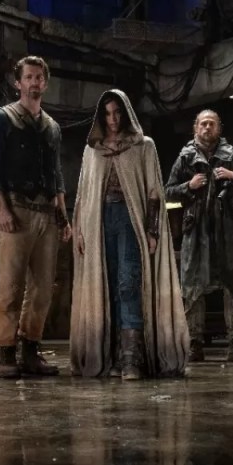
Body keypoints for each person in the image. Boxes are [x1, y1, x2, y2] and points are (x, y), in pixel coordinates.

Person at [70, 89, 188, 379]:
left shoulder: (143, 146)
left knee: (128, 282)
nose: (112, 119)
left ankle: (131, 358)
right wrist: (81, 231)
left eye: (117, 112)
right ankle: (110, 356)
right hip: (99, 221)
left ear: (125, 113)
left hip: (129, 219)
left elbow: (154, 191)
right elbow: (83, 194)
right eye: (107, 114)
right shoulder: (92, 149)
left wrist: (152, 230)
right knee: (106, 284)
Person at [0, 55, 71, 378]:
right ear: (18, 82)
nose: (34, 82)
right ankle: (7, 354)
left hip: (46, 213)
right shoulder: (2, 119)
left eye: (39, 77)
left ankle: (31, 350)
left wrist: (63, 216)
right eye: (29, 77)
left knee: (43, 288)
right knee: (9, 285)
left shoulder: (52, 127)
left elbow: (56, 173)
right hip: (16, 210)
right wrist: (2, 209)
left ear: (45, 83)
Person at [165, 110, 233, 363]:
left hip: (227, 230)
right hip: (196, 231)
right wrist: (189, 186)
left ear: (219, 128)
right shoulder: (185, 157)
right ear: (196, 128)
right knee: (192, 286)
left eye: (212, 124)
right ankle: (194, 343)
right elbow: (167, 192)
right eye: (203, 124)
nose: (207, 128)